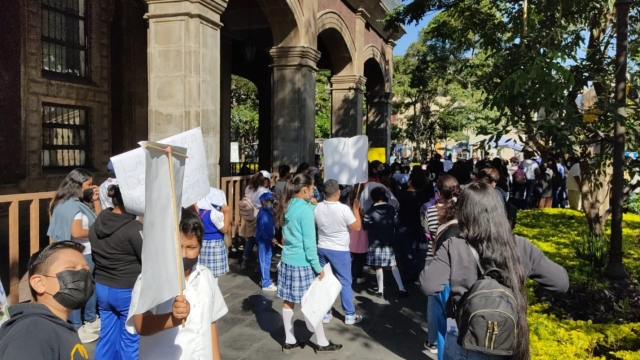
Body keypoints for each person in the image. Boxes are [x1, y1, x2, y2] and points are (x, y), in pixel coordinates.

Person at [420, 182, 569, 360]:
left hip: (466, 339)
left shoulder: (454, 246)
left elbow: (428, 285)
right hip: (508, 340)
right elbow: (561, 283)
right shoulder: (519, 246)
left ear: (464, 213)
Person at [126, 209, 228, 360]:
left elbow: (211, 321)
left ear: (200, 246)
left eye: (191, 247)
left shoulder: (206, 276)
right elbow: (140, 324)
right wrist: (172, 318)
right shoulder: (150, 279)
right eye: (178, 247)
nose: (184, 254)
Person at [275, 173, 342, 354]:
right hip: (303, 262)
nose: (313, 192)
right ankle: (321, 342)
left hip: (287, 259)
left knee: (288, 302)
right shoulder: (305, 211)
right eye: (312, 189)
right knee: (315, 303)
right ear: (305, 189)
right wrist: (317, 267)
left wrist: (310, 204)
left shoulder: (287, 205)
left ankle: (289, 339)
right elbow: (309, 243)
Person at [0, 241, 94, 360]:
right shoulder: (31, 336)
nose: (83, 275)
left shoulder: (55, 326)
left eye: (86, 270)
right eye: (71, 269)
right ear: (39, 283)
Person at [47, 168, 101, 342]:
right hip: (83, 253)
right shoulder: (75, 207)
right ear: (78, 185)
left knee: (75, 288)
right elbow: (77, 232)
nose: (92, 187)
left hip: (68, 252)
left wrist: (96, 200)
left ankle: (80, 322)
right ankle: (87, 322)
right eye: (89, 184)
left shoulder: (61, 202)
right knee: (85, 289)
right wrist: (95, 231)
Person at [89, 185, 143, 359]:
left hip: (103, 286)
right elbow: (148, 258)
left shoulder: (98, 222)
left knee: (107, 337)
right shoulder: (134, 228)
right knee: (130, 338)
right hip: (127, 289)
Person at [314, 180, 363, 325]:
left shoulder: (316, 207)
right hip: (340, 249)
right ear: (338, 192)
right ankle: (349, 314)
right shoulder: (343, 209)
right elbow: (357, 227)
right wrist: (356, 211)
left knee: (324, 280)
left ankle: (325, 313)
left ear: (324, 193)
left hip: (322, 247)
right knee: (345, 281)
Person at [421, 175, 460, 354]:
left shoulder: (431, 211)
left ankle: (433, 341)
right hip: (458, 259)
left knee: (434, 304)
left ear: (438, 191)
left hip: (435, 257)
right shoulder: (462, 209)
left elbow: (429, 232)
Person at [364, 187, 408, 299]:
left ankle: (380, 290)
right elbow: (397, 223)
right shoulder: (392, 209)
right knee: (393, 265)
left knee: (378, 266)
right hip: (388, 242)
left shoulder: (369, 212)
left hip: (375, 242)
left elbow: (366, 226)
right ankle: (401, 288)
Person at [396, 171, 430, 282]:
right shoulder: (422, 196)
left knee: (405, 251)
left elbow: (398, 208)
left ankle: (407, 273)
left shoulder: (403, 195)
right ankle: (417, 272)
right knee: (416, 250)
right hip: (418, 225)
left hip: (404, 225)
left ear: (410, 181)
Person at [196, 188, 232, 277]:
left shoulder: (198, 211)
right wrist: (227, 213)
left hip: (203, 242)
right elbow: (224, 229)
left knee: (203, 272)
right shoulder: (214, 213)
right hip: (215, 244)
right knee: (213, 276)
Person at [255, 191, 278, 291]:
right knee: (265, 262)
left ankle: (264, 279)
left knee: (265, 261)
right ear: (264, 202)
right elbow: (264, 229)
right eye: (269, 201)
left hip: (266, 240)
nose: (271, 204)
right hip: (264, 241)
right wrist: (271, 238)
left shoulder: (266, 213)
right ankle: (266, 283)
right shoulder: (263, 214)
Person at [348, 185, 368, 285]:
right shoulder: (362, 211)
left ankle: (351, 275)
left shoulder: (349, 211)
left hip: (352, 238)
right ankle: (359, 276)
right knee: (360, 259)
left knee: (352, 259)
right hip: (362, 237)